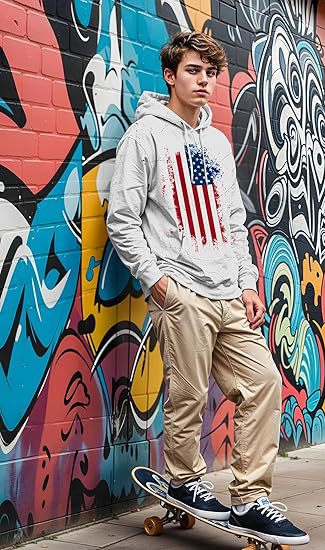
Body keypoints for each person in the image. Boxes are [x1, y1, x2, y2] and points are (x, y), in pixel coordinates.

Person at [106, 31, 309, 546]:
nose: (204, 81)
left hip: (228, 292)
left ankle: (250, 499)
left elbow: (233, 221)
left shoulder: (216, 142)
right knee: (189, 396)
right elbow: (122, 219)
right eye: (193, 71)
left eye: (211, 72)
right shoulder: (145, 137)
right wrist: (158, 283)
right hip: (182, 291)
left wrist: (247, 283)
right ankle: (185, 480)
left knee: (263, 383)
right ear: (170, 76)